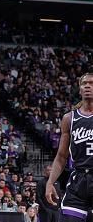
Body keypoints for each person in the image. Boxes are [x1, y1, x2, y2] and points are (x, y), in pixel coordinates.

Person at [46, 73, 93, 222]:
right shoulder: (69, 118)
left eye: (92, 83)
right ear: (79, 90)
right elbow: (61, 156)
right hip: (78, 180)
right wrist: (50, 182)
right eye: (84, 83)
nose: (87, 86)